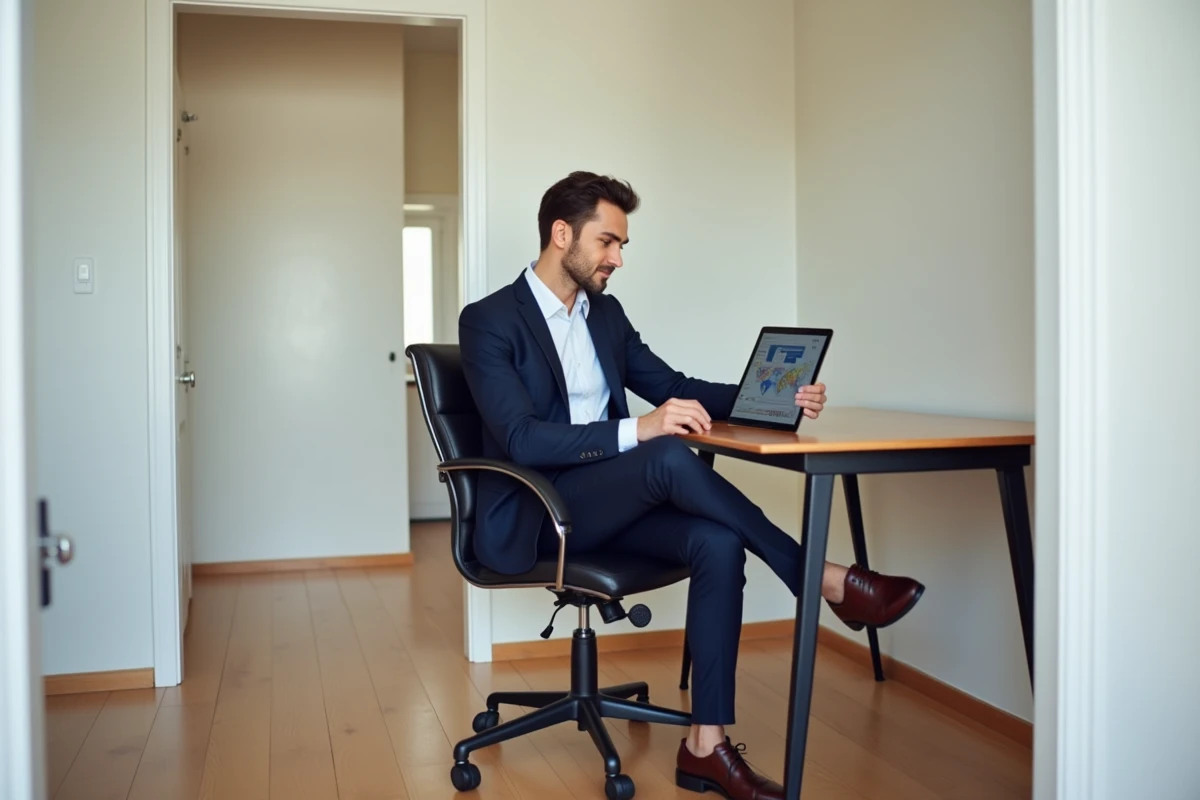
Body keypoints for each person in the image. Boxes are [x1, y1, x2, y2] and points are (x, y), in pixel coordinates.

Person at [458, 171, 925, 800]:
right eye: (607, 243)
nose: (617, 259)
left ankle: (705, 748)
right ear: (561, 234)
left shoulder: (606, 315)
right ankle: (820, 576)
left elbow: (678, 386)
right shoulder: (489, 320)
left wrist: (776, 396)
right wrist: (641, 428)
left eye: (622, 246)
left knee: (716, 542)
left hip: (608, 500)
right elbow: (520, 438)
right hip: (540, 511)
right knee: (669, 452)